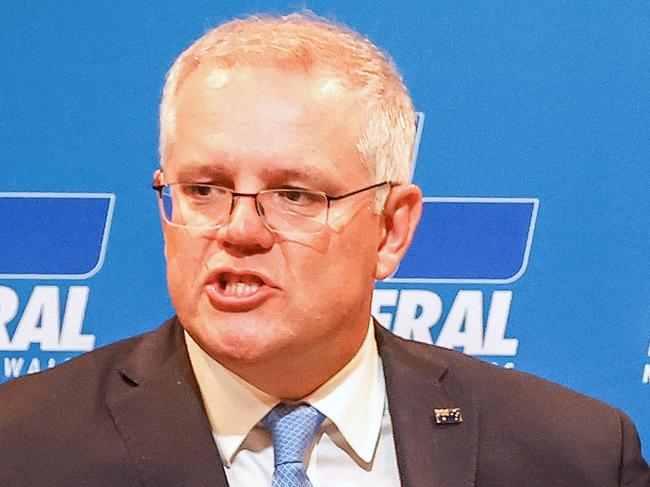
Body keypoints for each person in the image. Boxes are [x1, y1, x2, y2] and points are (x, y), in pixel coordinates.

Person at [0, 13, 647, 487]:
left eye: (295, 195)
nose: (240, 230)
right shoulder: (20, 444)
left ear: (390, 230)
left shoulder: (573, 453)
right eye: (204, 188)